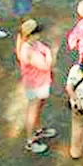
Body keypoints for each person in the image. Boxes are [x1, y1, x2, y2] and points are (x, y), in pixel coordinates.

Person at [15, 19, 58, 154]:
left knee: (39, 106)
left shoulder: (33, 44)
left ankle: (38, 130)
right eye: (36, 33)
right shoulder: (28, 51)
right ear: (29, 35)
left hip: (42, 81)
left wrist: (48, 54)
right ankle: (30, 140)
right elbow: (46, 65)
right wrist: (50, 55)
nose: (39, 35)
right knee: (33, 110)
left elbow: (44, 48)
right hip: (35, 85)